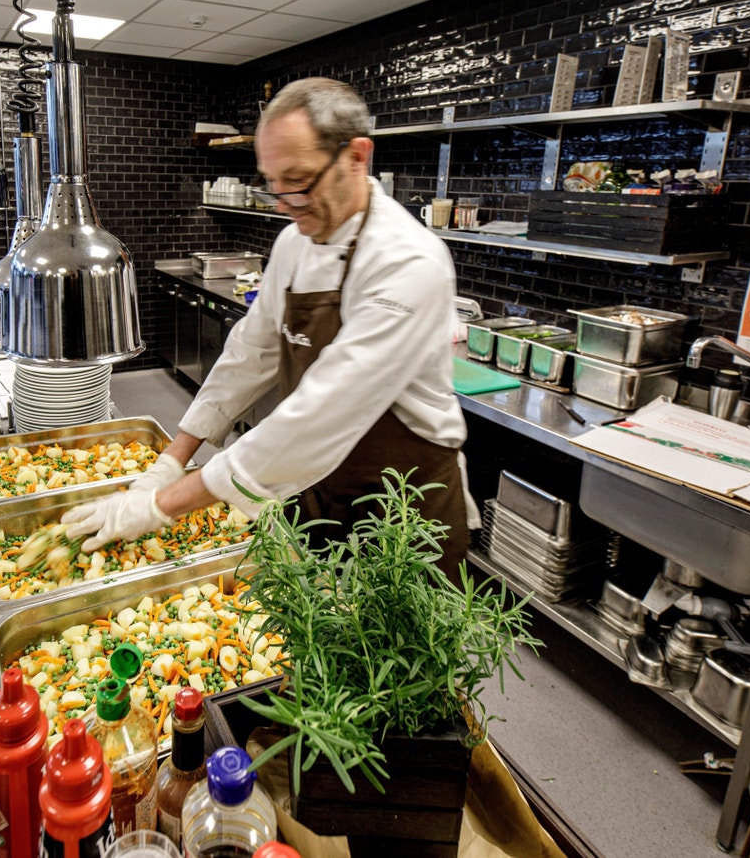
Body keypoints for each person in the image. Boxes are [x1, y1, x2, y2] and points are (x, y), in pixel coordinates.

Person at [64, 77, 470, 572]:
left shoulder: (409, 262)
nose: (283, 203)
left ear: (358, 157)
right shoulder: (294, 242)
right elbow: (249, 353)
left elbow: (323, 413)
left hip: (404, 512)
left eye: (298, 182)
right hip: (313, 489)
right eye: (272, 184)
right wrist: (170, 461)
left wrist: (159, 507)